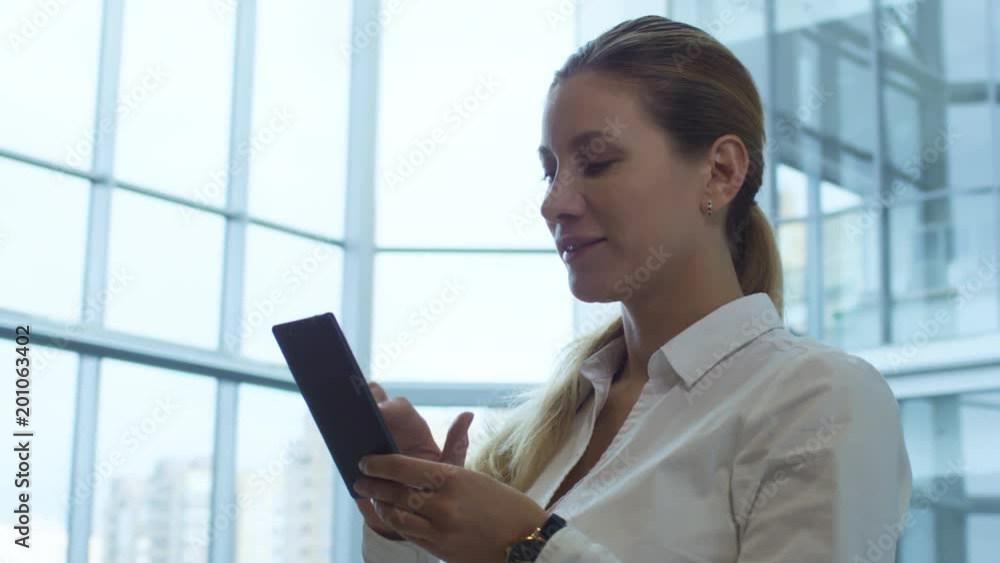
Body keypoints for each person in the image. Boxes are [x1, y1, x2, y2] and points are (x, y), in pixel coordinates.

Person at [354, 15, 912, 563]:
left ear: (720, 171)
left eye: (596, 163)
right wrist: (406, 521)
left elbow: (527, 551)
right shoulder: (557, 422)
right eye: (550, 171)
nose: (553, 203)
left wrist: (528, 546)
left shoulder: (820, 398)